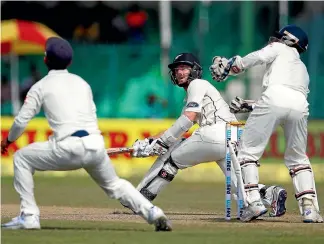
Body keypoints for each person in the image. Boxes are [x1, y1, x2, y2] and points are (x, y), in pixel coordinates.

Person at [1, 37, 172, 231]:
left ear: (45, 60)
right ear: (71, 62)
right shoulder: (82, 83)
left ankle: (29, 216)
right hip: (94, 145)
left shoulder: (40, 86)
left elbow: (21, 121)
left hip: (67, 148)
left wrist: (8, 140)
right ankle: (153, 212)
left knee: (22, 158)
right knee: (115, 185)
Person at [130, 53, 287, 218]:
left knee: (171, 157)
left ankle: (139, 199)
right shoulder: (195, 94)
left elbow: (187, 120)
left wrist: (162, 143)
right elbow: (179, 124)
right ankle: (271, 194)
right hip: (234, 136)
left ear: (195, 70)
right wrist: (148, 142)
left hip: (216, 133)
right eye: (177, 69)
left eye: (184, 68)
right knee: (237, 184)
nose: (179, 72)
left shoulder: (197, 84)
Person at [209, 25, 323, 223]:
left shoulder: (280, 49)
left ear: (289, 40)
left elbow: (259, 58)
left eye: (280, 38)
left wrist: (233, 65)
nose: (274, 41)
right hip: (300, 105)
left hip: (273, 99)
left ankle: (254, 203)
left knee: (247, 152)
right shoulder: (302, 69)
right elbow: (286, 102)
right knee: (298, 158)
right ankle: (309, 209)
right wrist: (250, 105)